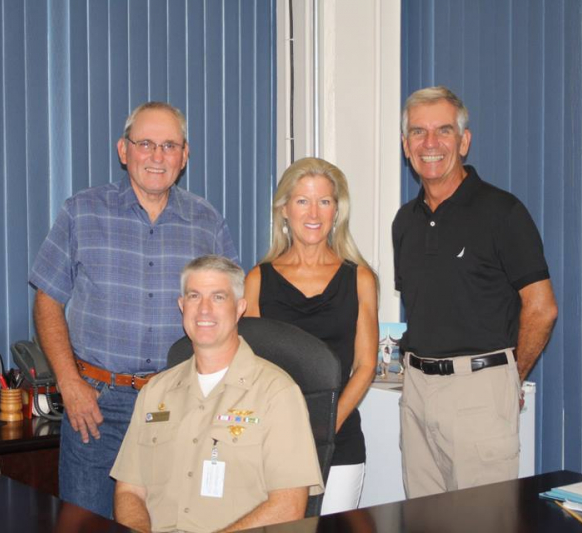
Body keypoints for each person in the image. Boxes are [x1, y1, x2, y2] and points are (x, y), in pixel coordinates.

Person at [29, 102, 238, 518]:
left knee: (175, 523)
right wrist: (69, 384)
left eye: (169, 145)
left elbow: (230, 312)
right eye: (145, 144)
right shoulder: (81, 212)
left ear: (184, 155)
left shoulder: (207, 221)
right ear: (123, 150)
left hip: (180, 407)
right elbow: (47, 300)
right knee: (86, 524)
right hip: (96, 407)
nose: (157, 157)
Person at [393, 86, 558, 498]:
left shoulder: (502, 212)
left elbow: (542, 308)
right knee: (423, 520)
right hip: (415, 392)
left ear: (464, 141)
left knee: (483, 521)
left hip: (480, 391)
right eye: (418, 132)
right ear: (405, 144)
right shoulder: (404, 222)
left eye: (443, 131)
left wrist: (508, 378)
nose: (430, 144)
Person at [112, 255, 324, 532]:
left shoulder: (277, 393)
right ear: (181, 306)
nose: (204, 310)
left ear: (239, 309)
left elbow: (288, 504)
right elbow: (129, 491)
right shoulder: (154, 392)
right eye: (194, 296)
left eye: (219, 297)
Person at [243, 157, 378, 514]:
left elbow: (366, 365)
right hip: (272, 442)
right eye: (302, 200)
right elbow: (249, 369)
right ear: (284, 210)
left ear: (337, 211)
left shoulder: (360, 279)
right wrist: (288, 432)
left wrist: (325, 426)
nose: (313, 212)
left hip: (339, 440)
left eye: (324, 201)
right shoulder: (257, 280)